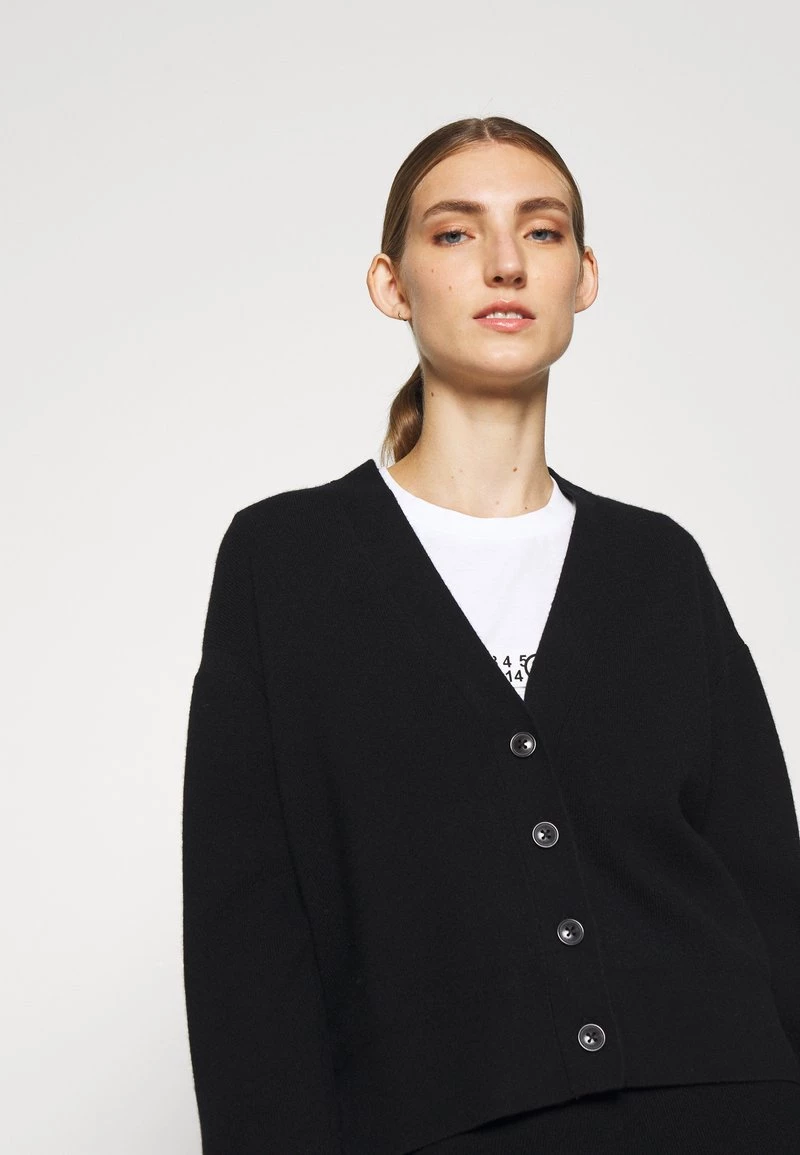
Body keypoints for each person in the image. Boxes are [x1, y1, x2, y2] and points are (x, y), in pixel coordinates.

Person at [182, 116, 800, 1153]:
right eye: (456, 233)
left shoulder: (657, 564)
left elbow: (766, 883)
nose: (506, 262)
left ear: (583, 277)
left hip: (725, 1103)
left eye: (542, 231)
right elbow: (247, 941)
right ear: (391, 284)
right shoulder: (284, 563)